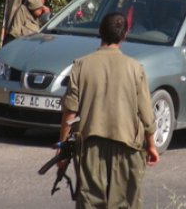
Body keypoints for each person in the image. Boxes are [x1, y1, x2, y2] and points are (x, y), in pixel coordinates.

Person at [58, 12, 160, 208]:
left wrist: (63, 148)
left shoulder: (80, 65)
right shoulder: (135, 68)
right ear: (124, 36)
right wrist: (151, 145)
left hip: (90, 147)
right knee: (124, 203)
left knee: (90, 203)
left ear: (100, 32)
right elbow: (146, 114)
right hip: (127, 147)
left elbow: (70, 113)